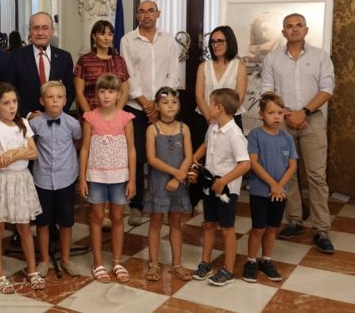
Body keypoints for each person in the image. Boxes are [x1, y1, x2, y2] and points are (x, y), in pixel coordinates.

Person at [261, 13, 335, 254]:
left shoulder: (320, 57)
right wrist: (287, 114)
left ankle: (321, 228)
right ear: (283, 32)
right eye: (289, 27)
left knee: (316, 176)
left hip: (312, 121)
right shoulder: (272, 59)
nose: (294, 30)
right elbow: (267, 92)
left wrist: (303, 112)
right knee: (287, 174)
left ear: (306, 29)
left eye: (298, 26)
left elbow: (327, 89)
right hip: (281, 122)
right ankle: (294, 220)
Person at [120, 0, 179, 226]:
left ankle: (161, 206)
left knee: (163, 158)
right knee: (136, 157)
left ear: (158, 14)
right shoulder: (128, 40)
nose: (146, 15)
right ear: (137, 15)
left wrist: (160, 102)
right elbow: (128, 74)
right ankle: (136, 206)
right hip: (136, 107)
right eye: (141, 11)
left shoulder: (168, 40)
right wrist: (146, 104)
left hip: (164, 108)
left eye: (150, 11)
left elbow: (173, 73)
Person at [0, 82, 44, 292]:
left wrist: (14, 154)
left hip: (22, 179)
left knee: (25, 227)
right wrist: (19, 153)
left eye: (14, 102)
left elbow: (34, 153)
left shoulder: (23, 124)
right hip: (3, 181)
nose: (12, 107)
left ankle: (32, 270)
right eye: (6, 103)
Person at [79, 74, 136, 284]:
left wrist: (132, 179)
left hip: (120, 177)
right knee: (96, 217)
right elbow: (84, 149)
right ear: (96, 94)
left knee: (118, 218)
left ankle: (118, 261)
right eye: (102, 91)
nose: (106, 95)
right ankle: (97, 262)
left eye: (111, 91)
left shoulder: (126, 119)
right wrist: (83, 177)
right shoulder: (90, 118)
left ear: (119, 94)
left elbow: (132, 150)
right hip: (96, 176)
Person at [190, 88, 250, 286]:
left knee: (227, 228)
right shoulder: (213, 127)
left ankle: (228, 270)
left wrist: (223, 181)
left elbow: (245, 164)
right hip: (210, 187)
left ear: (219, 108)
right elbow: (206, 145)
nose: (207, 107)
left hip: (226, 190)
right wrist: (194, 158)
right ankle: (205, 262)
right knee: (209, 225)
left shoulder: (235, 134)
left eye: (210, 103)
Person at [29, 81, 83, 278]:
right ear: (42, 100)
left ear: (65, 100)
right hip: (42, 179)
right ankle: (44, 260)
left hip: (66, 178)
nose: (55, 101)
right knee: (42, 222)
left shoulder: (72, 123)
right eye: (50, 97)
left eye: (59, 97)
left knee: (66, 221)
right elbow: (29, 143)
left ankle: (66, 259)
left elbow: (78, 141)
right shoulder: (34, 124)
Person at [243, 92, 298, 284]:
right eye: (271, 112)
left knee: (272, 228)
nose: (276, 117)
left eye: (280, 113)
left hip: (279, 193)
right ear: (261, 115)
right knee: (258, 228)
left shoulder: (287, 138)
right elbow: (254, 163)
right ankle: (251, 261)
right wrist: (272, 184)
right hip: (260, 191)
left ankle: (266, 261)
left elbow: (292, 165)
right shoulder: (255, 135)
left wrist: (279, 186)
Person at [144, 87, 193, 282]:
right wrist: (175, 173)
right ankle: (154, 264)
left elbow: (189, 156)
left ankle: (177, 264)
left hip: (178, 184)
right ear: (157, 106)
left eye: (174, 102)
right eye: (165, 103)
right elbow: (151, 159)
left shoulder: (184, 128)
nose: (170, 106)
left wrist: (178, 179)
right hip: (159, 183)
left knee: (176, 222)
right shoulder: (152, 129)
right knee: (155, 223)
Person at [4, 12, 74, 118]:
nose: (40, 33)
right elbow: (9, 90)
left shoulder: (64, 57)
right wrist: (28, 115)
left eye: (45, 28)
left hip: (57, 121)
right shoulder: (15, 57)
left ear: (52, 31)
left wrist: (57, 112)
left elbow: (70, 91)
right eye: (36, 28)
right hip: (24, 122)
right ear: (30, 31)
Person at [194, 25, 247, 147]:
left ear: (230, 42)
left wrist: (223, 119)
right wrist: (210, 118)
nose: (215, 45)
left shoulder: (239, 66)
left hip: (231, 119)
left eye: (220, 41)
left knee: (232, 158)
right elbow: (199, 96)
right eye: (212, 41)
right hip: (205, 119)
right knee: (204, 158)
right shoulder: (203, 66)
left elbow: (239, 96)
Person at [74, 19, 130, 112]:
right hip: (90, 112)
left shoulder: (119, 61)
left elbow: (125, 92)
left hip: (115, 114)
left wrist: (116, 114)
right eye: (102, 34)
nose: (107, 38)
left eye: (110, 34)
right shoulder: (84, 60)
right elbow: (79, 93)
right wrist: (91, 117)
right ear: (94, 36)